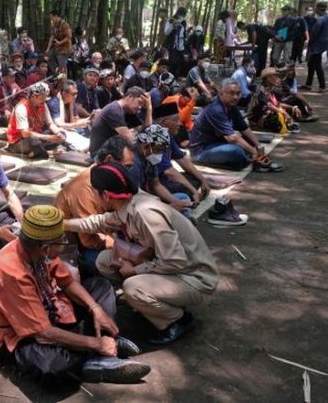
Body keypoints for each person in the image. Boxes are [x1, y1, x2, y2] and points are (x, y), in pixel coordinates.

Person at [0, 204, 150, 384]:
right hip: (21, 336)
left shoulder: (36, 249)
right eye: (62, 241)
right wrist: (95, 344)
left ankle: (102, 343)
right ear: (45, 247)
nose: (64, 244)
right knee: (51, 366)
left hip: (48, 312)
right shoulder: (10, 272)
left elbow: (66, 282)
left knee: (100, 287)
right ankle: (95, 358)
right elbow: (42, 332)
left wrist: (96, 308)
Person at [64, 162, 219, 346]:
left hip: (195, 279)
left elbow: (176, 261)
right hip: (172, 269)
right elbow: (98, 222)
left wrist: (135, 271)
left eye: (94, 191)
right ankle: (150, 303)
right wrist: (62, 224)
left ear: (105, 195)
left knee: (132, 287)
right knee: (105, 260)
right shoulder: (128, 203)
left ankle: (177, 319)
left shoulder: (146, 213)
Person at [55, 136, 135, 277]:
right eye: (126, 167)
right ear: (109, 160)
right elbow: (87, 239)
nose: (128, 172)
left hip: (104, 233)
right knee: (108, 262)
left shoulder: (113, 181)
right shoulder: (85, 187)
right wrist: (122, 249)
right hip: (76, 244)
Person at [189, 78, 282, 172]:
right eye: (232, 93)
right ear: (221, 93)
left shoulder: (232, 107)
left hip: (219, 144)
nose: (235, 97)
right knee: (236, 151)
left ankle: (251, 158)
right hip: (202, 150)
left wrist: (258, 146)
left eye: (238, 93)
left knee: (250, 141)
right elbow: (232, 138)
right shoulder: (215, 109)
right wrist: (254, 152)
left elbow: (244, 128)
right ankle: (252, 159)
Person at [129, 125, 195, 222]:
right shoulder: (132, 164)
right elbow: (134, 200)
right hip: (132, 204)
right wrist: (167, 207)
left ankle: (183, 223)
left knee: (182, 198)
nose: (159, 154)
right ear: (146, 146)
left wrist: (175, 202)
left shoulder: (149, 157)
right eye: (158, 150)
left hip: (143, 197)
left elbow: (156, 184)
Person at [152, 102, 211, 201]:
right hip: (155, 183)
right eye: (176, 120)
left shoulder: (167, 135)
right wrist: (193, 190)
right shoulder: (153, 139)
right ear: (163, 122)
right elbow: (169, 172)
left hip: (166, 179)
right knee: (185, 190)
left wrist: (203, 180)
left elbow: (182, 159)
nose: (180, 123)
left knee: (196, 179)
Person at [6, 82, 65, 159]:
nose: (44, 101)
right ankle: (46, 152)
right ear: (34, 96)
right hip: (19, 141)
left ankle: (37, 151)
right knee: (34, 142)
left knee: (61, 134)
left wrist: (58, 133)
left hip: (36, 136)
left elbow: (50, 123)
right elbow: (25, 133)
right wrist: (48, 137)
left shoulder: (43, 104)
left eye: (45, 98)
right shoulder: (21, 107)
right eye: (42, 98)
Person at [88, 87, 152, 157]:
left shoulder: (128, 111)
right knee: (139, 154)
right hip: (99, 154)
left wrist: (149, 108)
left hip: (111, 152)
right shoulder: (114, 110)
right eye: (139, 102)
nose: (140, 107)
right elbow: (133, 141)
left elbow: (147, 131)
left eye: (142, 106)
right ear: (130, 97)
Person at [246, 68, 300, 134]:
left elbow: (277, 104)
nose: (277, 78)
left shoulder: (270, 89)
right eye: (275, 76)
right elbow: (269, 105)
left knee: (284, 109)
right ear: (268, 78)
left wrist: (293, 107)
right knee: (278, 114)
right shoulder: (260, 89)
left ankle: (287, 123)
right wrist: (284, 113)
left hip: (265, 113)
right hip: (256, 117)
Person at [52, 80, 91, 152]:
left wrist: (89, 119)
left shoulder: (72, 103)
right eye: (73, 94)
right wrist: (76, 124)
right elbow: (59, 124)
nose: (75, 96)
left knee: (86, 129)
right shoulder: (54, 103)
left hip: (71, 129)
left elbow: (76, 120)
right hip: (59, 130)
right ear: (64, 93)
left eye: (76, 93)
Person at [305, 1, 328, 92]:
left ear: (318, 8)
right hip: (324, 44)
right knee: (311, 63)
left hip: (317, 45)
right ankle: (308, 84)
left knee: (317, 65)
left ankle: (322, 86)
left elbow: (314, 33)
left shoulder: (320, 19)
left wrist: (309, 42)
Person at [164, 7, 188, 77]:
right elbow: (166, 32)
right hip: (171, 47)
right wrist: (173, 25)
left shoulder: (184, 22)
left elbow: (183, 35)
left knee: (178, 65)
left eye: (184, 15)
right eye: (182, 15)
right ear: (178, 14)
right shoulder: (170, 21)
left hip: (180, 48)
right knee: (171, 64)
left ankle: (176, 79)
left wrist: (183, 50)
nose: (182, 17)